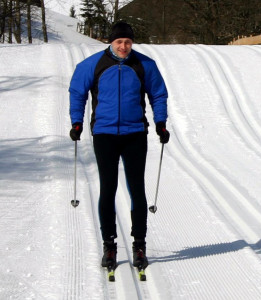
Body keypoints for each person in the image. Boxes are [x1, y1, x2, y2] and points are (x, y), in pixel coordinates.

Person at [69, 21, 169, 273]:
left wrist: (161, 123)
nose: (124, 46)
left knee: (137, 189)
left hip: (135, 133)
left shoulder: (145, 65)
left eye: (127, 42)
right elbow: (77, 93)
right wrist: (76, 122)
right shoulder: (92, 65)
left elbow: (158, 94)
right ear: (111, 42)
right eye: (119, 42)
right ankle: (109, 245)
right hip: (104, 134)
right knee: (108, 188)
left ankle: (139, 244)